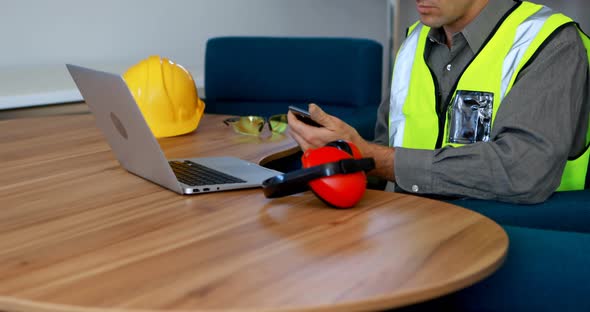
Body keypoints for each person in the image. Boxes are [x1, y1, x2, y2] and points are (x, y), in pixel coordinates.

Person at [287, 0, 590, 204]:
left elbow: (524, 170)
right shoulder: (412, 43)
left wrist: (377, 159)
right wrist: (342, 155)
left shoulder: (551, 42)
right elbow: (383, 147)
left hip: (515, 240)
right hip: (409, 230)